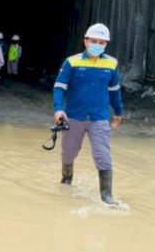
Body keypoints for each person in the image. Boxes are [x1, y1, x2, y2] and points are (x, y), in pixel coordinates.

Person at [53, 23, 123, 205]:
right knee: (68, 153)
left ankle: (106, 195)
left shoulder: (111, 63)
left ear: (106, 44)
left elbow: (115, 90)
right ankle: (66, 180)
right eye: (94, 41)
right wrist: (58, 108)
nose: (97, 45)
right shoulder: (72, 62)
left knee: (103, 155)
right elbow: (59, 87)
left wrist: (118, 112)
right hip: (74, 116)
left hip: (99, 117)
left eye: (102, 42)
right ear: (85, 41)